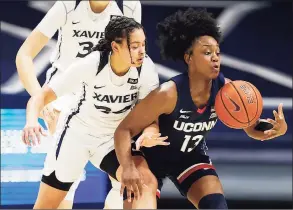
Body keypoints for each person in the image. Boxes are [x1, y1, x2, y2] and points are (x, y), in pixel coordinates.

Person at [114, 8, 288, 209]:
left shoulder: (227, 89)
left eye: (217, 52)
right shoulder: (168, 94)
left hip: (189, 156)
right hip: (150, 158)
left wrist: (274, 130)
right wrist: (127, 168)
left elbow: (251, 126)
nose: (215, 58)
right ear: (189, 58)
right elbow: (124, 131)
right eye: (207, 52)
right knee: (140, 198)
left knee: (216, 205)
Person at [22, 16, 165, 209]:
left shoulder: (146, 69)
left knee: (143, 181)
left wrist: (149, 133)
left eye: (144, 45)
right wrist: (31, 122)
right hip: (77, 136)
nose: (142, 51)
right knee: (47, 206)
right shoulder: (91, 65)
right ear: (115, 47)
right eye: (135, 46)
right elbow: (40, 97)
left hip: (113, 140)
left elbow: (150, 117)